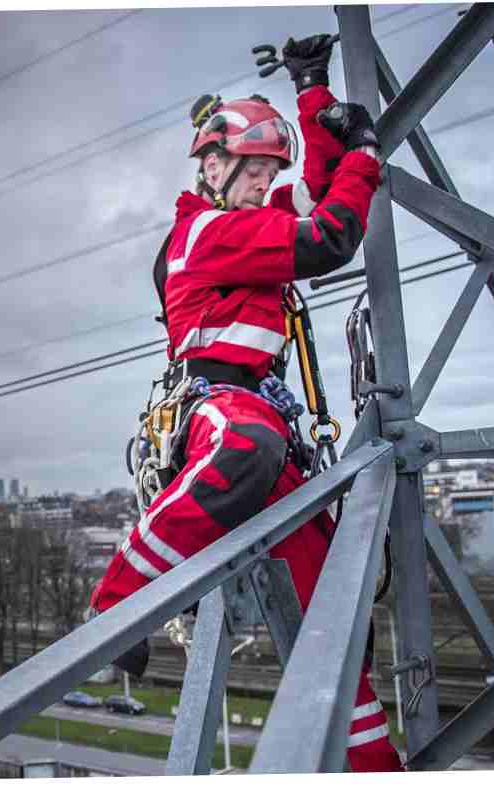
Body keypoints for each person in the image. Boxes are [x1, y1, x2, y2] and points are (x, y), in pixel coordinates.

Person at [89, 36, 403, 772]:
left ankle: (371, 765)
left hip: (265, 408)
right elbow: (330, 234)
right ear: (211, 166)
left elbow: (316, 192)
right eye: (253, 170)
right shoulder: (209, 229)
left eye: (269, 172)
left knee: (330, 604)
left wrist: (313, 93)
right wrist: (364, 156)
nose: (265, 183)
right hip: (220, 401)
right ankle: (119, 600)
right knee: (243, 448)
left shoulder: (248, 217)